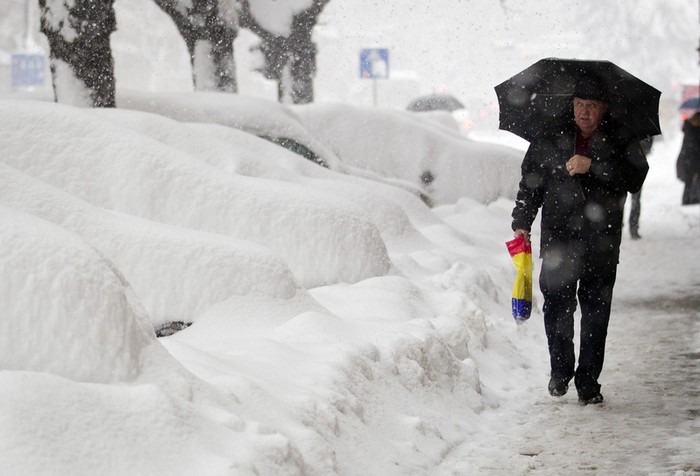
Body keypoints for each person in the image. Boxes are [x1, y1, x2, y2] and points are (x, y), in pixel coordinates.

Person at [510, 77, 649, 405]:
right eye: (579, 106)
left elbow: (635, 177)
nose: (585, 113)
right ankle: (560, 371)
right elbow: (531, 184)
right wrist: (521, 222)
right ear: (571, 106)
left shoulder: (620, 137)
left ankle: (588, 380)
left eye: (592, 106)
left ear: (604, 109)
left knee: (596, 313)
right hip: (559, 239)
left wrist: (594, 166)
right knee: (557, 306)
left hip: (601, 242)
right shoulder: (550, 137)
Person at [628, 136, 654, 239]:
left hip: (636, 166)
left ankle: (633, 227)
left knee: (635, 198)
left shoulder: (640, 128)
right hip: (627, 165)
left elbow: (648, 142)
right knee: (632, 199)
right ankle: (632, 227)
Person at [676, 111, 700, 208]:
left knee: (689, 180)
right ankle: (693, 198)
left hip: (688, 157)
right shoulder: (695, 128)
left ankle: (688, 198)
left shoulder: (688, 124)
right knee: (694, 178)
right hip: (694, 157)